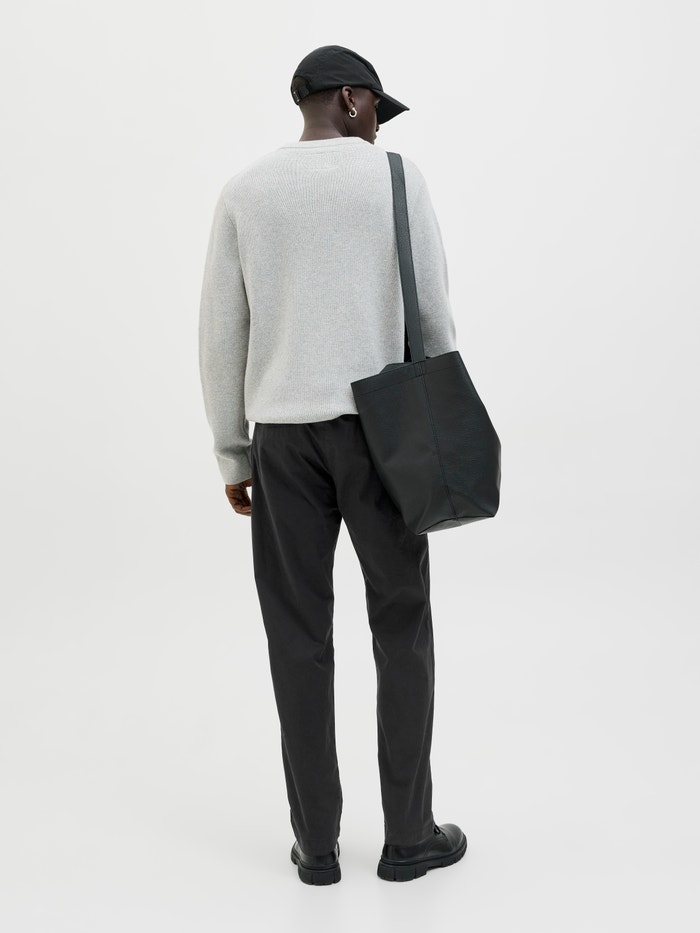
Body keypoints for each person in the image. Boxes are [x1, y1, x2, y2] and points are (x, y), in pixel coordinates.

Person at [198, 44, 467, 885]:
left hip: (282, 441)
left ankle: (317, 845)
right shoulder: (395, 179)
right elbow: (432, 312)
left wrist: (232, 449)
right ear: (349, 98)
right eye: (377, 107)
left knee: (297, 636)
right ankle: (409, 836)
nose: (379, 124)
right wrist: (439, 423)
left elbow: (222, 333)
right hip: (385, 434)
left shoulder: (244, 192)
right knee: (402, 625)